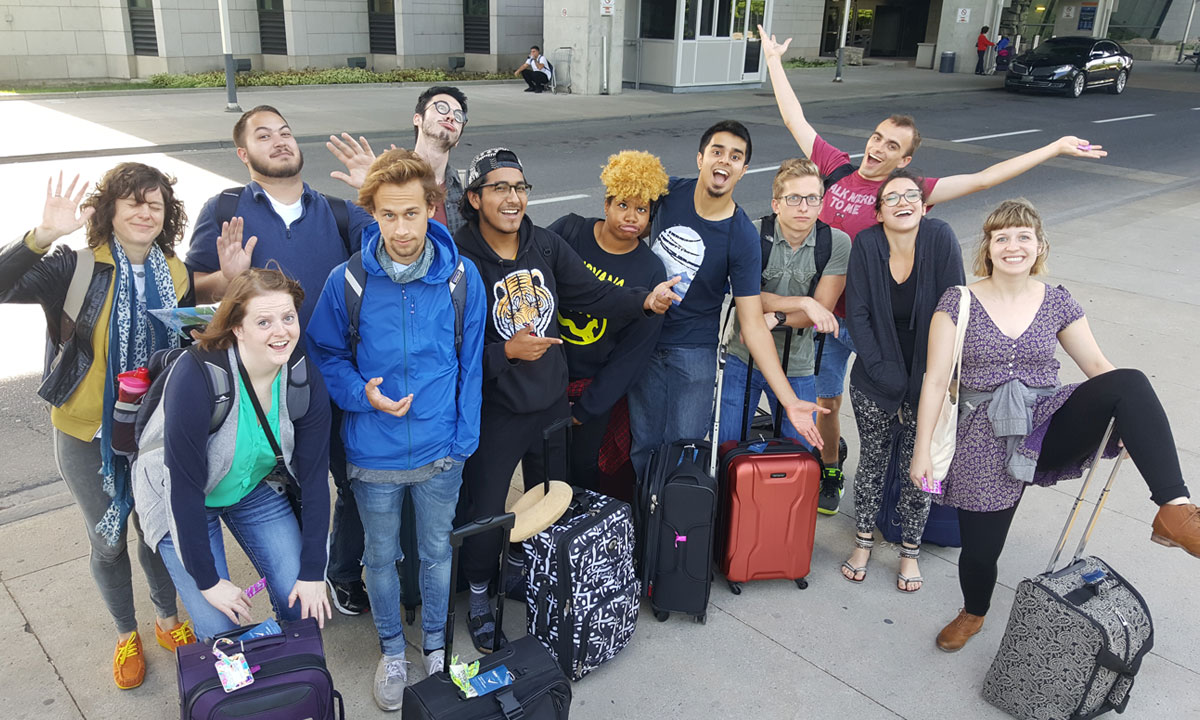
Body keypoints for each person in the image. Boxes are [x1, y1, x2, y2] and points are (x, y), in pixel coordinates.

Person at [759, 25, 1108, 514]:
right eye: (877, 137)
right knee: (827, 402)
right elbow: (794, 118)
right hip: (825, 315)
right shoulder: (836, 169)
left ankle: (915, 485)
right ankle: (832, 465)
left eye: (892, 146)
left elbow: (983, 178)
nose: (878, 148)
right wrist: (774, 61)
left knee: (905, 404)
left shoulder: (907, 193)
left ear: (905, 160)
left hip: (875, 322)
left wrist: (1052, 148)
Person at [910, 199, 1200, 652]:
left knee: (1130, 383)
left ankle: (1176, 511)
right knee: (981, 552)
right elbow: (934, 380)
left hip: (1048, 423)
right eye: (1002, 237)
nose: (1013, 246)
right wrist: (922, 451)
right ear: (988, 247)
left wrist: (1128, 421)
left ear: (1040, 245)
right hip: (983, 437)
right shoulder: (958, 302)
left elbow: (1098, 366)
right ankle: (974, 612)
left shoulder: (1056, 301)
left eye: (1023, 236)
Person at [453, 147, 680, 654]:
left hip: (550, 403)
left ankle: (522, 572)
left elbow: (593, 295)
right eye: (499, 188)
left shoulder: (546, 244)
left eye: (519, 187)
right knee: (486, 508)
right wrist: (505, 352)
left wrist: (644, 301)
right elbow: (446, 344)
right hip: (494, 408)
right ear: (475, 198)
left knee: (549, 498)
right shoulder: (459, 256)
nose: (513, 198)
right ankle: (480, 595)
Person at [0, 166, 197, 689]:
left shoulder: (176, 272)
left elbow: (181, 349)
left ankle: (167, 619)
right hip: (87, 432)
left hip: (151, 431)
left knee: (155, 532)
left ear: (167, 215)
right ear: (110, 210)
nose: (144, 212)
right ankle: (125, 632)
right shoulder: (77, 265)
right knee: (107, 541)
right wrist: (43, 235)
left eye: (155, 204)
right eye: (132, 202)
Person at [306, 149, 486, 711]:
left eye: (412, 213)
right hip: (372, 454)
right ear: (373, 214)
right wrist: (363, 394)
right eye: (388, 215)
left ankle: (434, 649)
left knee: (435, 554)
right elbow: (325, 354)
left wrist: (463, 444)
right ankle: (391, 652)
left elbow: (472, 365)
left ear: (432, 207)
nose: (402, 229)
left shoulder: (461, 277)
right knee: (380, 560)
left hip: (441, 453)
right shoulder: (348, 281)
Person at [187, 104, 376, 617]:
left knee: (351, 482)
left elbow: (398, 248)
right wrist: (226, 279)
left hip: (334, 380)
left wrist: (374, 190)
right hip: (261, 389)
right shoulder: (225, 208)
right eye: (264, 135)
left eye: (285, 132)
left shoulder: (338, 211)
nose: (279, 141)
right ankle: (297, 581)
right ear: (243, 153)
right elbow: (193, 293)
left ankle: (339, 572)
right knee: (285, 486)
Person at [628, 120, 827, 488]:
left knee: (684, 454)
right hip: (643, 340)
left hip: (692, 353)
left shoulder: (742, 236)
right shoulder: (668, 194)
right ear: (701, 158)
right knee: (642, 447)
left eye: (735, 156)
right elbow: (625, 224)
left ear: (743, 170)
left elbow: (753, 325)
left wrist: (789, 401)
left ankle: (675, 524)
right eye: (717, 152)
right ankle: (644, 520)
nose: (725, 160)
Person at [137, 267, 333, 641]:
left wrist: (312, 572)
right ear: (237, 328)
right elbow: (183, 490)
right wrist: (209, 582)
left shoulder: (302, 376)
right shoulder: (198, 376)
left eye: (288, 318)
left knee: (302, 602)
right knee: (220, 629)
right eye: (264, 322)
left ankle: (290, 665)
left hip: (249, 486)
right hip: (181, 496)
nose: (281, 331)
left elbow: (314, 481)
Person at [841, 170, 965, 592]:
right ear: (878, 213)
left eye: (911, 194)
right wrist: (884, 373)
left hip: (930, 382)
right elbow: (857, 314)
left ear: (923, 206)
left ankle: (910, 552)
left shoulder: (940, 238)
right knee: (872, 463)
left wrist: (929, 380)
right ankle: (862, 544)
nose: (902, 202)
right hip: (874, 382)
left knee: (921, 469)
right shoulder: (866, 244)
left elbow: (954, 309)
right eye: (891, 197)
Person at [548, 150, 670, 489]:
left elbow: (634, 352)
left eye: (642, 209)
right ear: (606, 204)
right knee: (544, 469)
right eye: (623, 205)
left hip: (593, 390)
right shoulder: (570, 231)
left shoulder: (651, 270)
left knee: (584, 471)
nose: (631, 216)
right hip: (545, 379)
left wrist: (587, 408)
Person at [717, 158, 847, 449]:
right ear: (776, 204)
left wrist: (777, 316)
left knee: (801, 450)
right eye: (794, 198)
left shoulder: (835, 243)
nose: (804, 207)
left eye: (812, 199)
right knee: (726, 447)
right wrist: (803, 302)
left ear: (821, 204)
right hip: (743, 357)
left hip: (797, 363)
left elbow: (821, 313)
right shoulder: (751, 234)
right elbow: (746, 297)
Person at [327, 86, 470, 235]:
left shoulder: (467, 187)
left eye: (458, 116)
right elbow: (374, 238)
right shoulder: (386, 178)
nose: (451, 117)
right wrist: (371, 188)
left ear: (458, 140)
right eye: (442, 107)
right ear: (417, 119)